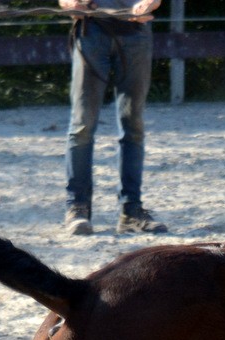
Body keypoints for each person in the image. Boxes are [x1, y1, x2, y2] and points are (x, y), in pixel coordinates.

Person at [59, 0, 168, 235]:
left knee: (133, 123)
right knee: (82, 124)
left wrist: (148, 4)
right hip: (91, 32)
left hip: (135, 32)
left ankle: (131, 210)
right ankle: (77, 207)